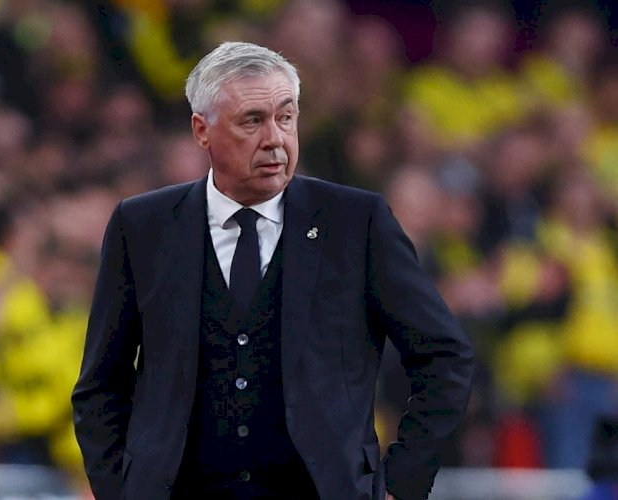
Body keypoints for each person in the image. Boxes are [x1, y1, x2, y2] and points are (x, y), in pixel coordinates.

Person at [72, 41, 474, 500]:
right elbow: (101, 385)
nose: (275, 139)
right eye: (252, 121)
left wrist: (402, 483)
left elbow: (445, 357)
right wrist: (119, 491)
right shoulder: (142, 225)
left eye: (285, 117)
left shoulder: (356, 222)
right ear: (202, 130)